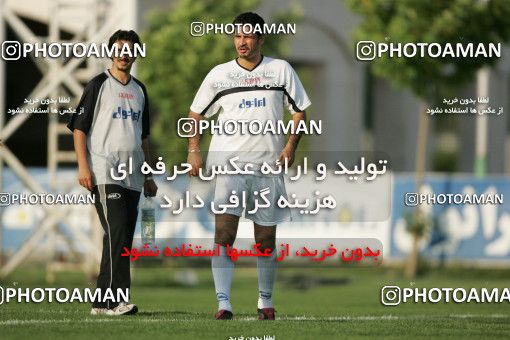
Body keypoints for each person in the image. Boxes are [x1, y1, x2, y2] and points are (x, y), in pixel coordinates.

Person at [187, 12, 311, 320]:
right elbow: (195, 113)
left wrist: (290, 146)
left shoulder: (280, 70)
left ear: (260, 38)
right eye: (237, 37)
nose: (242, 42)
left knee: (266, 239)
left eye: (248, 36)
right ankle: (223, 303)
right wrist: (193, 150)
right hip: (229, 168)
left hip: (268, 168)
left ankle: (265, 301)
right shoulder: (219, 75)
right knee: (224, 234)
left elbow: (299, 112)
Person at [68, 29, 158, 315]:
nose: (125, 53)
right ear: (112, 52)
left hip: (133, 175)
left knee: (120, 239)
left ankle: (101, 303)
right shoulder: (98, 84)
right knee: (117, 232)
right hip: (104, 172)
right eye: (120, 48)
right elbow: (79, 129)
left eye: (131, 49)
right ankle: (118, 299)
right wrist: (84, 167)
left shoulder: (140, 90)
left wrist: (148, 175)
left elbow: (143, 137)